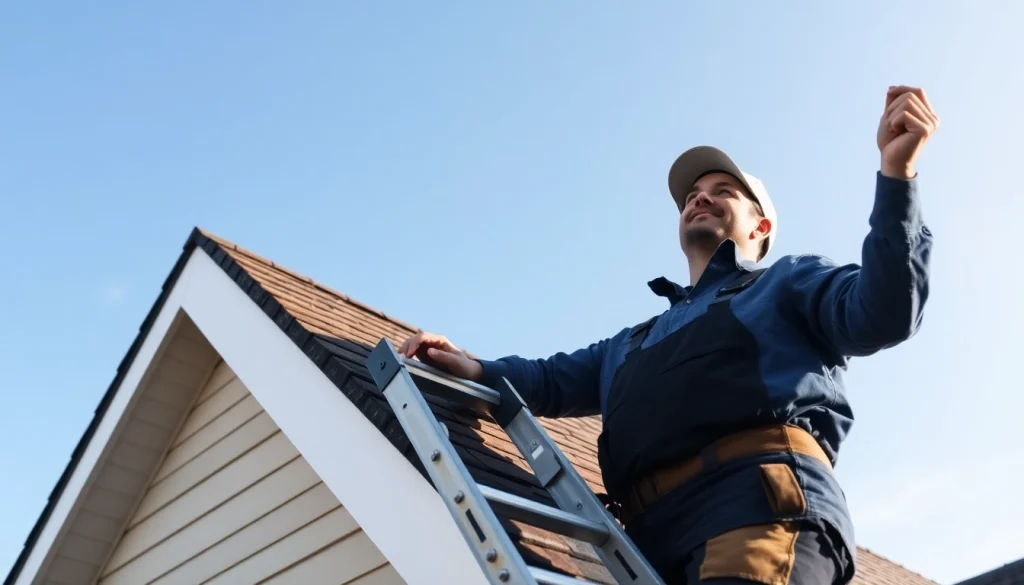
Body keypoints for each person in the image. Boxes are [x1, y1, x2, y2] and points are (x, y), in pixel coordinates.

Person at [398, 85, 938, 584]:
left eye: (722, 191)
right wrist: (469, 366)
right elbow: (546, 380)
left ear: (760, 227)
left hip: (757, 510)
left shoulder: (787, 282)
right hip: (645, 550)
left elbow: (883, 312)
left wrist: (897, 177)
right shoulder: (629, 344)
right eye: (692, 195)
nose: (699, 198)